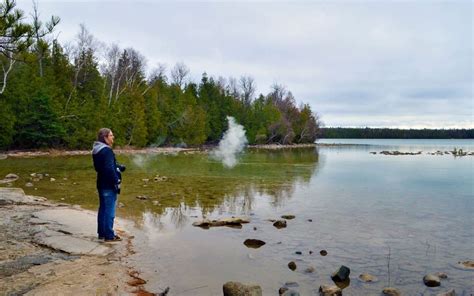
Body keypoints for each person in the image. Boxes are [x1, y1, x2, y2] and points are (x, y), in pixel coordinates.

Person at [92, 128, 125, 242]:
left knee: (103, 209)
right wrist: (116, 180)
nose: (113, 137)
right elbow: (108, 168)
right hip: (108, 185)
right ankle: (109, 236)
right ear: (105, 138)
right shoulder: (107, 151)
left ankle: (102, 233)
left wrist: (119, 167)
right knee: (109, 211)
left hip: (101, 183)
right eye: (111, 135)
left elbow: (100, 167)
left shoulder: (97, 149)